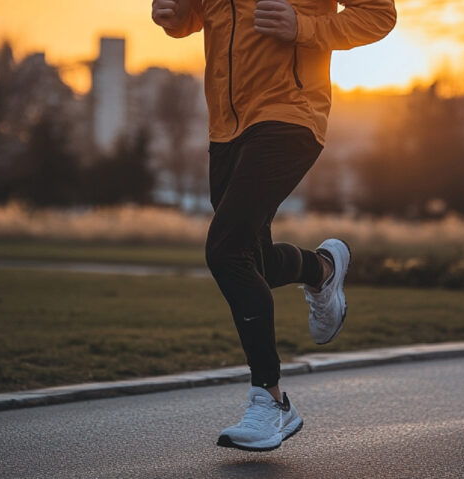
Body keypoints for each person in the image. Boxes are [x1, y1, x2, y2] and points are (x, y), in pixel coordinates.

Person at [152, 0, 396, 452]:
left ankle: (271, 400)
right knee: (250, 261)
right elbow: (197, 15)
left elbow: (378, 15)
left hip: (290, 113)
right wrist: (174, 15)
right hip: (226, 126)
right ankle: (321, 269)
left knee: (224, 251)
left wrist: (303, 26)